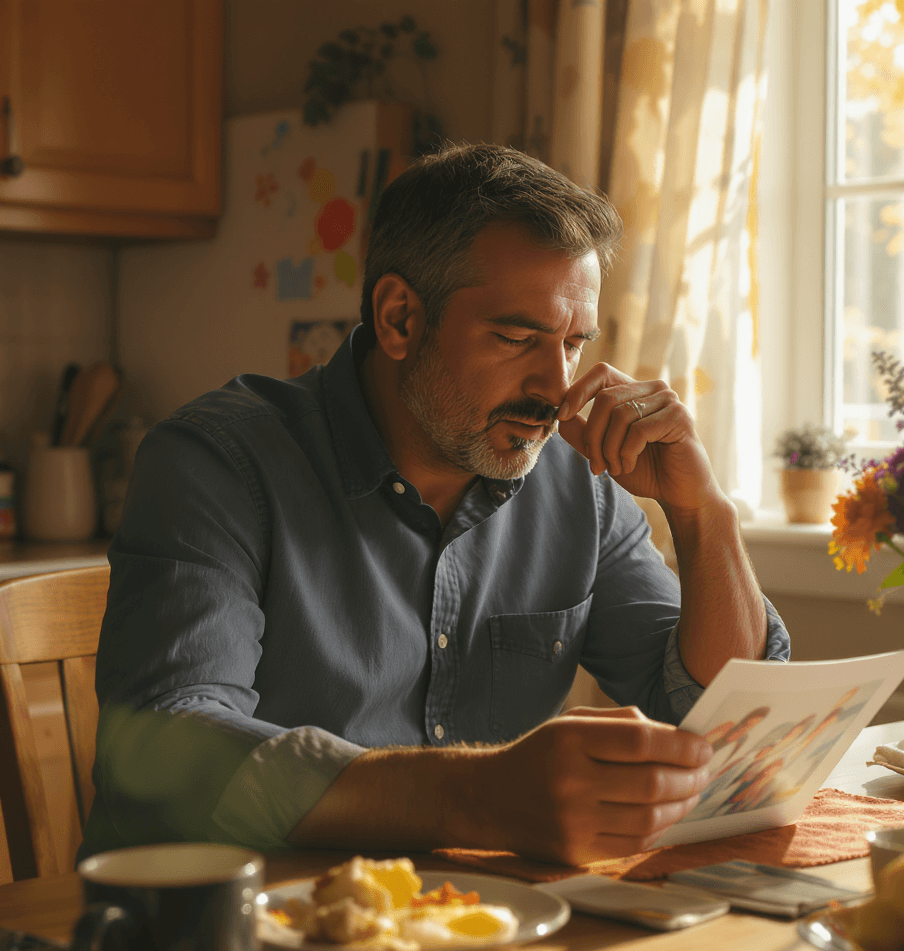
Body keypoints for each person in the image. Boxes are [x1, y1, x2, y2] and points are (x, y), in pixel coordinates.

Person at [83, 143, 789, 866]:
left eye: (574, 345)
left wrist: (705, 515)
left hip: (473, 924)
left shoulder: (579, 482)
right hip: (232, 933)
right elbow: (168, 747)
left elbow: (721, 721)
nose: (556, 388)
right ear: (398, 319)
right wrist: (478, 797)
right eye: (517, 338)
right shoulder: (218, 463)